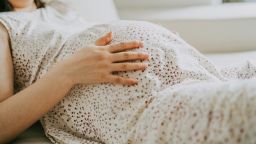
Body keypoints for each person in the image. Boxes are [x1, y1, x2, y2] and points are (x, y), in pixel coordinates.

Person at [1, 0, 256, 144]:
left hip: (189, 69)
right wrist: (66, 73)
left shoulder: (57, 8)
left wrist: (157, 38)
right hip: (133, 105)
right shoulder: (4, 25)